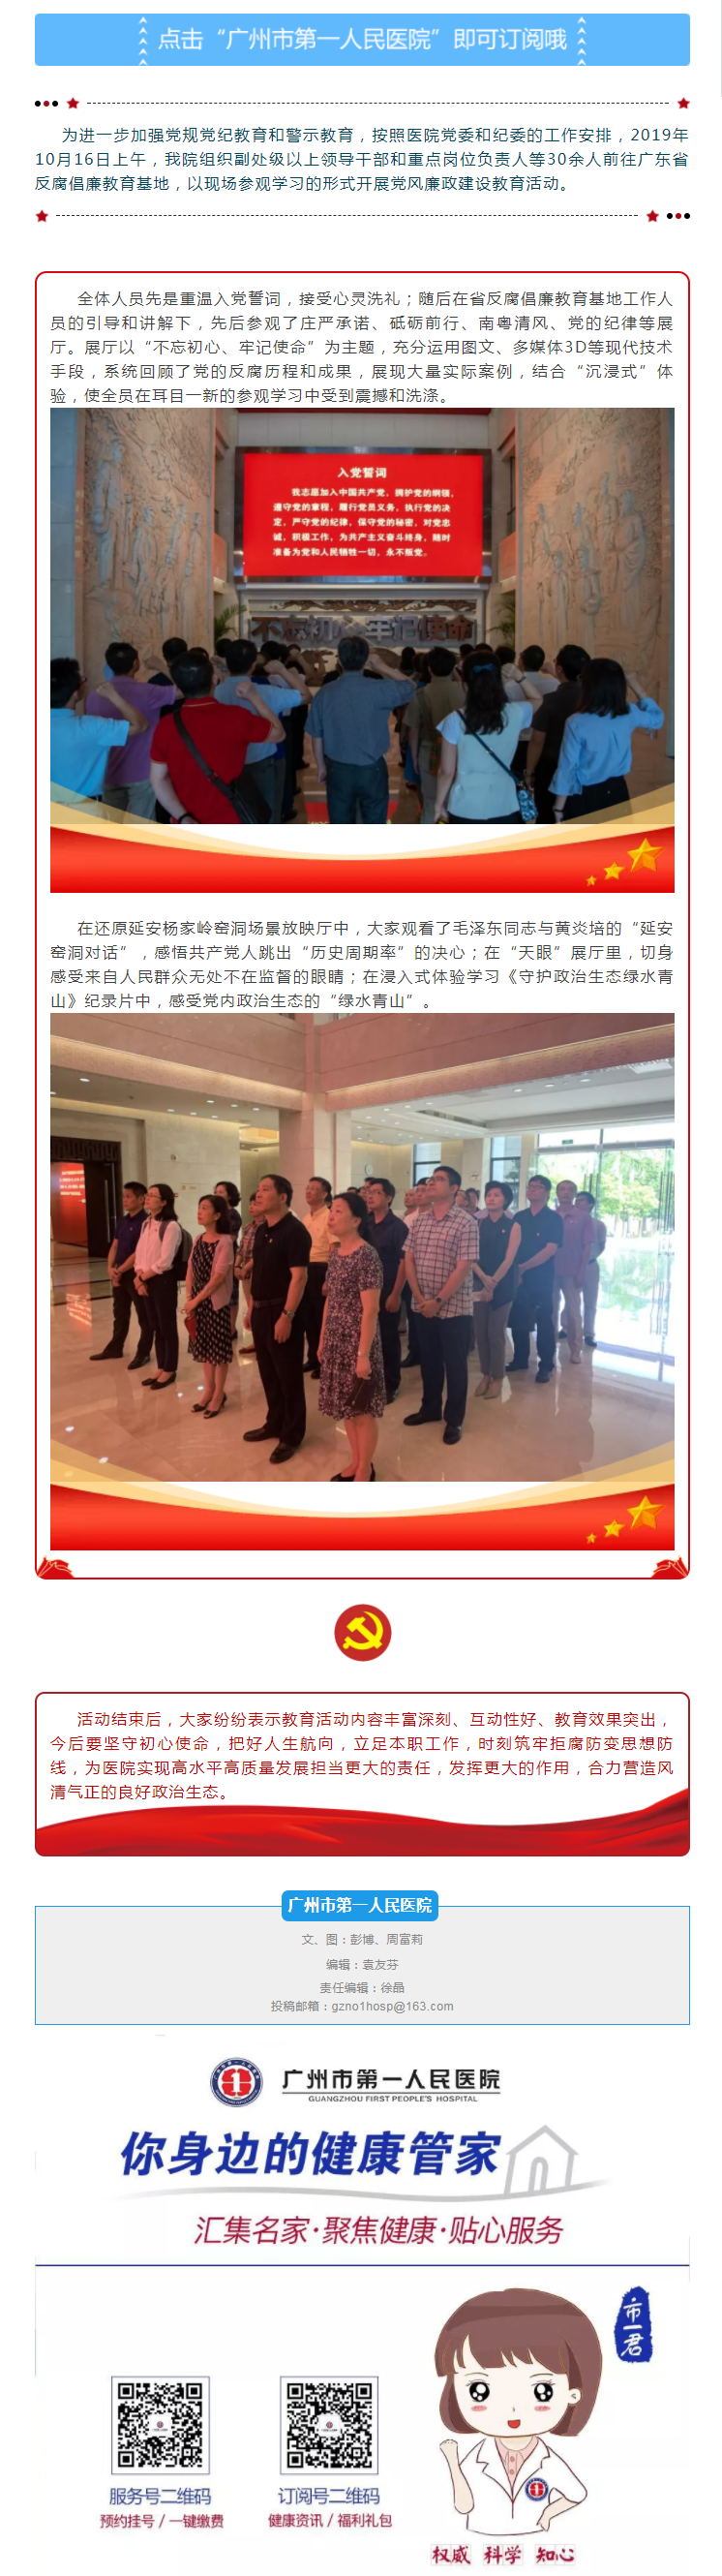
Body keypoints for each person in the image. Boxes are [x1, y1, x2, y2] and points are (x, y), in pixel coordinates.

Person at [436, 2286, 601, 2540]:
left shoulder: (548, 2460)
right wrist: (452, 2462)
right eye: (480, 2390)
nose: (511, 2409)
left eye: (542, 2390)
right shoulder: (477, 2458)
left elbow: (577, 2495)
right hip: (480, 2536)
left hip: (536, 2538)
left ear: (573, 2394)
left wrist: (547, 2514)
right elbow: (464, 2506)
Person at [148, 651, 283, 826]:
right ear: (214, 679)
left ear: (178, 688)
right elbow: (279, 733)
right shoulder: (236, 717)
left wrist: (182, 817)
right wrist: (254, 697)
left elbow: (158, 779)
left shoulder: (166, 726)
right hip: (233, 820)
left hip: (189, 825)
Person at [403, 1166, 479, 1446]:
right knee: (430, 1360)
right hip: (422, 1304)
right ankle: (430, 1408)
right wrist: (420, 1297)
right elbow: (409, 1259)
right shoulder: (419, 1220)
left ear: (454, 1188)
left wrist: (437, 1301)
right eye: (431, 1179)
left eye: (440, 1180)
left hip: (453, 1307)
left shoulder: (466, 1222)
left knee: (455, 1364)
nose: (432, 1183)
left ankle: (454, 1419)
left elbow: (463, 1267)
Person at [306, 635, 415, 822]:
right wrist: (381, 666)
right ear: (365, 660)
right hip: (372, 768)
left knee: (340, 821)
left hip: (338, 769)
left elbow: (316, 734)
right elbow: (410, 686)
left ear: (339, 660)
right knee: (374, 820)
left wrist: (321, 766)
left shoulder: (325, 692)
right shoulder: (380, 688)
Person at [317, 1191, 385, 1482]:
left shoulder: (367, 1255)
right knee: (347, 1406)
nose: (331, 1216)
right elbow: (330, 1300)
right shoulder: (336, 1254)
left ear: (356, 1220)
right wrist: (322, 1339)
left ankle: (365, 1468)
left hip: (358, 1341)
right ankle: (356, 1461)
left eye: (338, 1211)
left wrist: (363, 1355)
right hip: (336, 1339)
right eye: (331, 1210)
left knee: (362, 1408)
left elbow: (371, 1310)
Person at [243, 1175, 310, 1464]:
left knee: (288, 1375)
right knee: (268, 1371)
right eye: (258, 1189)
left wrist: (287, 1316)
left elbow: (299, 1278)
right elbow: (258, 1272)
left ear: (283, 1197)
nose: (258, 1194)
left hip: (282, 1311)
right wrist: (251, 1307)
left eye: (265, 1190)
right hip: (260, 1309)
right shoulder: (262, 1229)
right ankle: (274, 1422)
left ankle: (292, 1435)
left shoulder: (294, 1231)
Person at [551, 658, 665, 820]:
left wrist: (558, 808)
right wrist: (635, 684)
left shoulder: (576, 722)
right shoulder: (629, 713)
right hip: (618, 791)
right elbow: (657, 718)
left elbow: (568, 768)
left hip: (586, 795)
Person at [215, 639, 307, 823]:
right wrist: (282, 671)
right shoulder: (268, 691)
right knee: (267, 813)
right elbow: (305, 696)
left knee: (232, 812)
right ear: (253, 665)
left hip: (224, 763)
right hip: (261, 762)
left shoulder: (215, 692)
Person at [435, 657, 530, 823]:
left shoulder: (454, 719)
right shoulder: (516, 712)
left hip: (465, 803)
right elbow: (537, 699)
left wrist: (438, 804)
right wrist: (519, 677)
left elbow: (446, 771)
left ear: (466, 684)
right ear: (499, 680)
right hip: (505, 802)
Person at [85, 643, 176, 819]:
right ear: (136, 663)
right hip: (143, 772)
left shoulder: (95, 695)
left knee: (110, 828)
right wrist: (161, 667)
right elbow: (184, 688)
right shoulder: (149, 691)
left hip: (108, 771)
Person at [50, 658, 147, 802]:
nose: (85, 685)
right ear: (75, 694)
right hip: (84, 809)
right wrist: (113, 696)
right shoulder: (93, 727)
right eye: (83, 681)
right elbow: (141, 725)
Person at [89, 1181, 154, 1368]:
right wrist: (111, 1268)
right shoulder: (123, 1221)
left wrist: (120, 1269)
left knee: (144, 1316)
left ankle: (143, 1353)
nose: (124, 1200)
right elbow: (115, 1246)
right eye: (123, 1196)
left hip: (137, 1274)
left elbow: (139, 1252)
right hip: (120, 1273)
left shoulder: (146, 1223)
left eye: (129, 1196)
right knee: (120, 1313)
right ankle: (115, 1348)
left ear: (141, 1199)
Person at [523, 647, 590, 822]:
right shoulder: (593, 700)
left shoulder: (551, 700)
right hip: (586, 767)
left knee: (548, 816)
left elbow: (537, 741)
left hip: (551, 768)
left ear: (559, 668)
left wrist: (529, 772)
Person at [508, 1176, 563, 1383]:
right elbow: (512, 1246)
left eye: (538, 1187)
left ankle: (546, 1365)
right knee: (519, 1318)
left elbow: (550, 1250)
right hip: (519, 1276)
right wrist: (516, 1270)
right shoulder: (519, 1217)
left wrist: (523, 1268)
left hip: (541, 1277)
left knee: (544, 1321)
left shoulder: (553, 1218)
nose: (532, 1189)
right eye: (530, 1186)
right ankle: (520, 1359)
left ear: (547, 1192)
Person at [184, 1194, 235, 1418]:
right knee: (205, 1350)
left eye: (205, 1208)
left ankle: (219, 1394)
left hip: (215, 1304)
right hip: (197, 1302)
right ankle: (209, 1391)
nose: (199, 1211)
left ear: (217, 1215)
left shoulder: (225, 1242)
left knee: (218, 1352)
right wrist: (189, 1297)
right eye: (199, 1207)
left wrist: (196, 1300)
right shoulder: (198, 1239)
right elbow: (190, 1270)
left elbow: (218, 1277)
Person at [404, 645, 466, 821]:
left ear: (429, 668)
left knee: (430, 801)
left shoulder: (420, 695)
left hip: (430, 750)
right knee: (457, 801)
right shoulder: (465, 690)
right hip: (462, 751)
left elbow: (413, 731)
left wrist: (414, 758)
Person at [472, 1182, 522, 1400]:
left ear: (505, 1200)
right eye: (489, 1195)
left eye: (496, 1195)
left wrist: (492, 1283)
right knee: (481, 1333)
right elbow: (470, 1255)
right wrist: (484, 1280)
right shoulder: (477, 1224)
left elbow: (509, 1259)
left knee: (496, 1333)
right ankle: (485, 1375)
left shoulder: (513, 1226)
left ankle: (498, 1378)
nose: (491, 1198)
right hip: (478, 1281)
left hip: (503, 1283)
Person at [134, 1183, 183, 1388]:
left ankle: (170, 1369)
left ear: (164, 1202)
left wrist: (142, 1277)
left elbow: (166, 1261)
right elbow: (140, 1253)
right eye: (148, 1194)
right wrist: (139, 1275)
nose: (147, 1197)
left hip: (162, 1281)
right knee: (155, 1326)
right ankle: (161, 1366)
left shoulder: (171, 1226)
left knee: (166, 1326)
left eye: (153, 1195)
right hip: (145, 1279)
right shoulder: (146, 1223)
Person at [365, 1179, 409, 1402]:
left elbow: (404, 1263)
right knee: (369, 1336)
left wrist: (396, 1294)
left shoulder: (397, 1227)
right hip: (366, 1290)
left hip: (387, 1289)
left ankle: (391, 1383)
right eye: (369, 1192)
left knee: (388, 1338)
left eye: (376, 1192)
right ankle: (371, 1378)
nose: (370, 1196)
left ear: (388, 1198)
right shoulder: (365, 1223)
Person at [554, 1180, 594, 1363]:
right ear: (556, 1193)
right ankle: (549, 1347)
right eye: (562, 1189)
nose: (566, 1192)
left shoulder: (583, 1217)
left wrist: (582, 1271)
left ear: (574, 1194)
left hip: (572, 1271)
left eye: (570, 1190)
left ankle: (576, 1350)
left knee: (573, 1312)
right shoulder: (551, 1216)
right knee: (550, 1311)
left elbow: (587, 1247)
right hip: (551, 1272)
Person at [301, 1175, 333, 1377]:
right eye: (307, 1187)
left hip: (321, 1269)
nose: (308, 1191)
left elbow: (334, 1249)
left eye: (313, 1188)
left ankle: (324, 1362)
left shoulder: (329, 1216)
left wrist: (329, 1278)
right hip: (306, 1269)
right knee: (308, 1317)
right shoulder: (305, 1218)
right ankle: (312, 1358)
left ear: (324, 1194)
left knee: (322, 1319)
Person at [400, 1181, 428, 1367]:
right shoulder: (409, 1219)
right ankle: (415, 1351)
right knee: (413, 1315)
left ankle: (429, 1353)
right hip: (410, 1272)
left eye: (423, 1191)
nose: (419, 1194)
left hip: (428, 1273)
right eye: (417, 1191)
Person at [576, 1189, 607, 1345]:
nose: (578, 1202)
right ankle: (566, 1328)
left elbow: (601, 1246)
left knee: (590, 1299)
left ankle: (589, 1333)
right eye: (577, 1200)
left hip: (591, 1265)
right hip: (573, 1265)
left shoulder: (598, 1225)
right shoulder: (570, 1221)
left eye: (582, 1200)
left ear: (590, 1204)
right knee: (571, 1298)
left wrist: (589, 1258)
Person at [214, 1180, 242, 1338]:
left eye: (221, 1192)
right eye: (216, 1192)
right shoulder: (216, 1213)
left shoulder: (233, 1214)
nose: (217, 1195)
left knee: (231, 1293)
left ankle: (231, 1328)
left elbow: (231, 1238)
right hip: (216, 1254)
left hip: (229, 1255)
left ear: (230, 1195)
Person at [235, 1192, 259, 1329]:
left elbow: (261, 1254)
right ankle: (255, 1334)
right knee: (250, 1305)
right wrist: (237, 1266)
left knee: (257, 1306)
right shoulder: (248, 1226)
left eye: (255, 1204)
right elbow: (241, 1249)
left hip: (257, 1271)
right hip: (245, 1273)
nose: (251, 1207)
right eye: (250, 1204)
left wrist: (246, 1267)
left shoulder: (266, 1227)